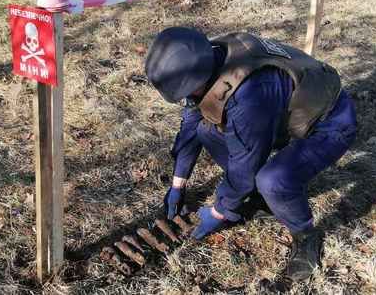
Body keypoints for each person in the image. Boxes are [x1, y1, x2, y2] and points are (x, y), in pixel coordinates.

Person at [144, 27, 357, 280]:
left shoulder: (248, 96)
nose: (187, 97)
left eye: (188, 91)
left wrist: (219, 211)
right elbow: (191, 125)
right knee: (206, 130)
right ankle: (260, 198)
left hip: (331, 122)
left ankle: (306, 236)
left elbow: (244, 166)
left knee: (273, 179)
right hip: (282, 110)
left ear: (196, 79)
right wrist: (178, 184)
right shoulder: (206, 58)